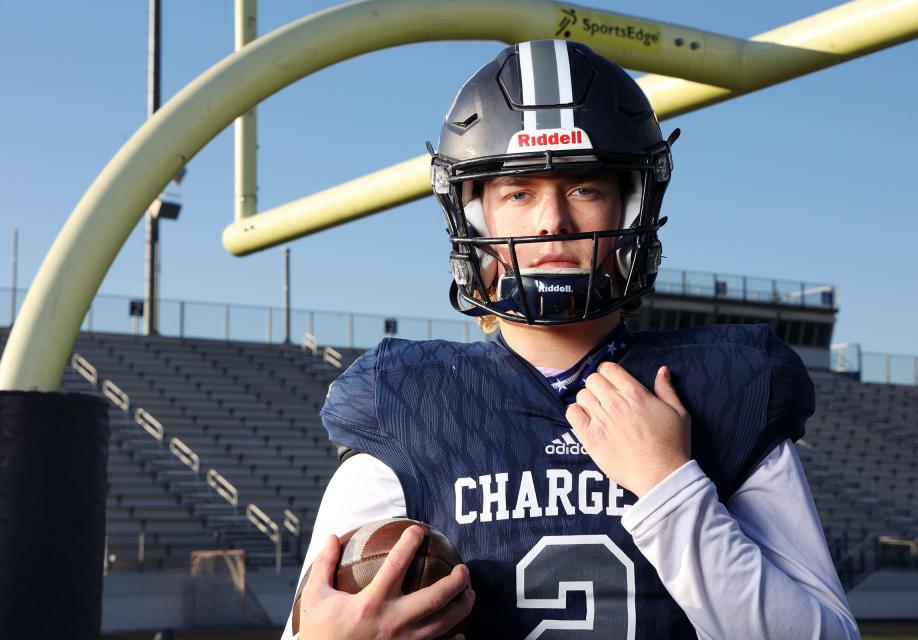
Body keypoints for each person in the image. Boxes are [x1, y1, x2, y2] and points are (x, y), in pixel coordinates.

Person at [284, 40, 860, 639]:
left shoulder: (725, 388)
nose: (551, 220)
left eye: (584, 189)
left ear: (632, 209)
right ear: (473, 219)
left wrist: (671, 484)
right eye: (518, 192)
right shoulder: (404, 403)